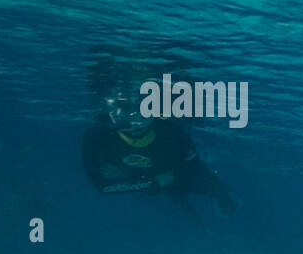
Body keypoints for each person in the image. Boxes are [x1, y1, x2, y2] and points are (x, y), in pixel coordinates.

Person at [81, 82, 240, 219]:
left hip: (173, 173)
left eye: (141, 108)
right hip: (158, 177)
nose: (134, 121)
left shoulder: (167, 129)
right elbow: (101, 186)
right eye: (123, 109)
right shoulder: (97, 138)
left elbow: (194, 165)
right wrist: (154, 181)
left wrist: (133, 178)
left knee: (214, 192)